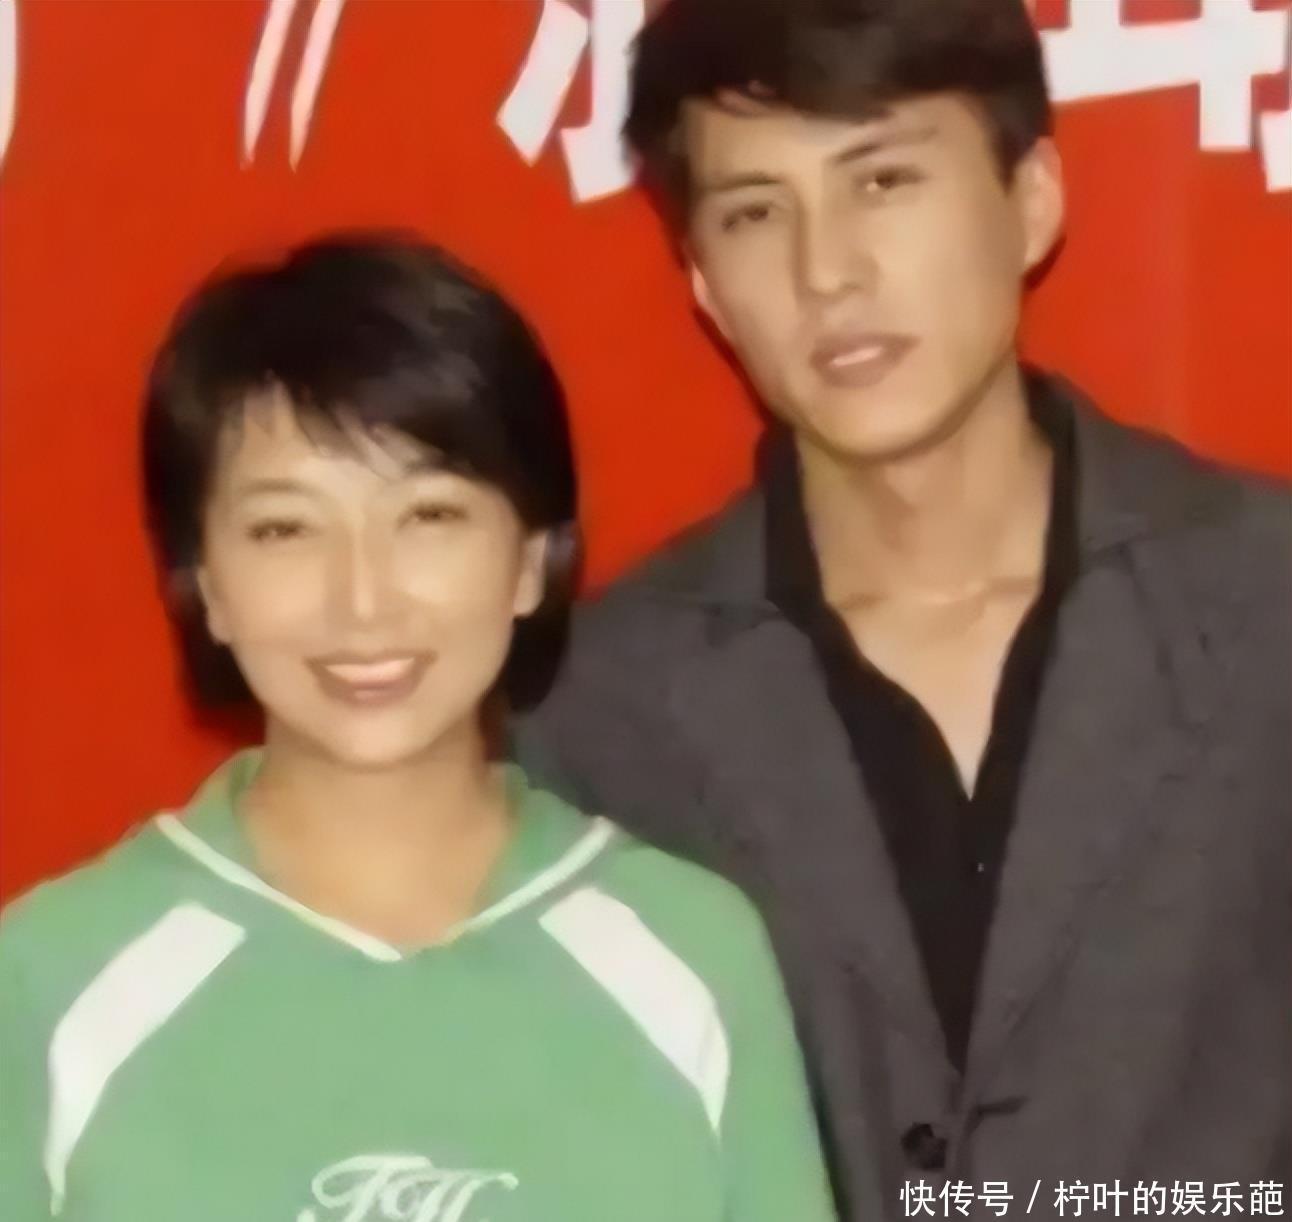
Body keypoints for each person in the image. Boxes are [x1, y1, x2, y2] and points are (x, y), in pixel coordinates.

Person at [512, 0, 1292, 1215]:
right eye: (754, 211)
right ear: (703, 283)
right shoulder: (592, 712)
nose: (826, 271)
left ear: (1030, 200)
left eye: (880, 180)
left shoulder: (1262, 601)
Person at [0, 236, 838, 1222]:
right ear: (206, 585)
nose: (363, 601)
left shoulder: (690, 955)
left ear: (531, 560)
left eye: (429, 516)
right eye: (285, 528)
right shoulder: (52, 979)